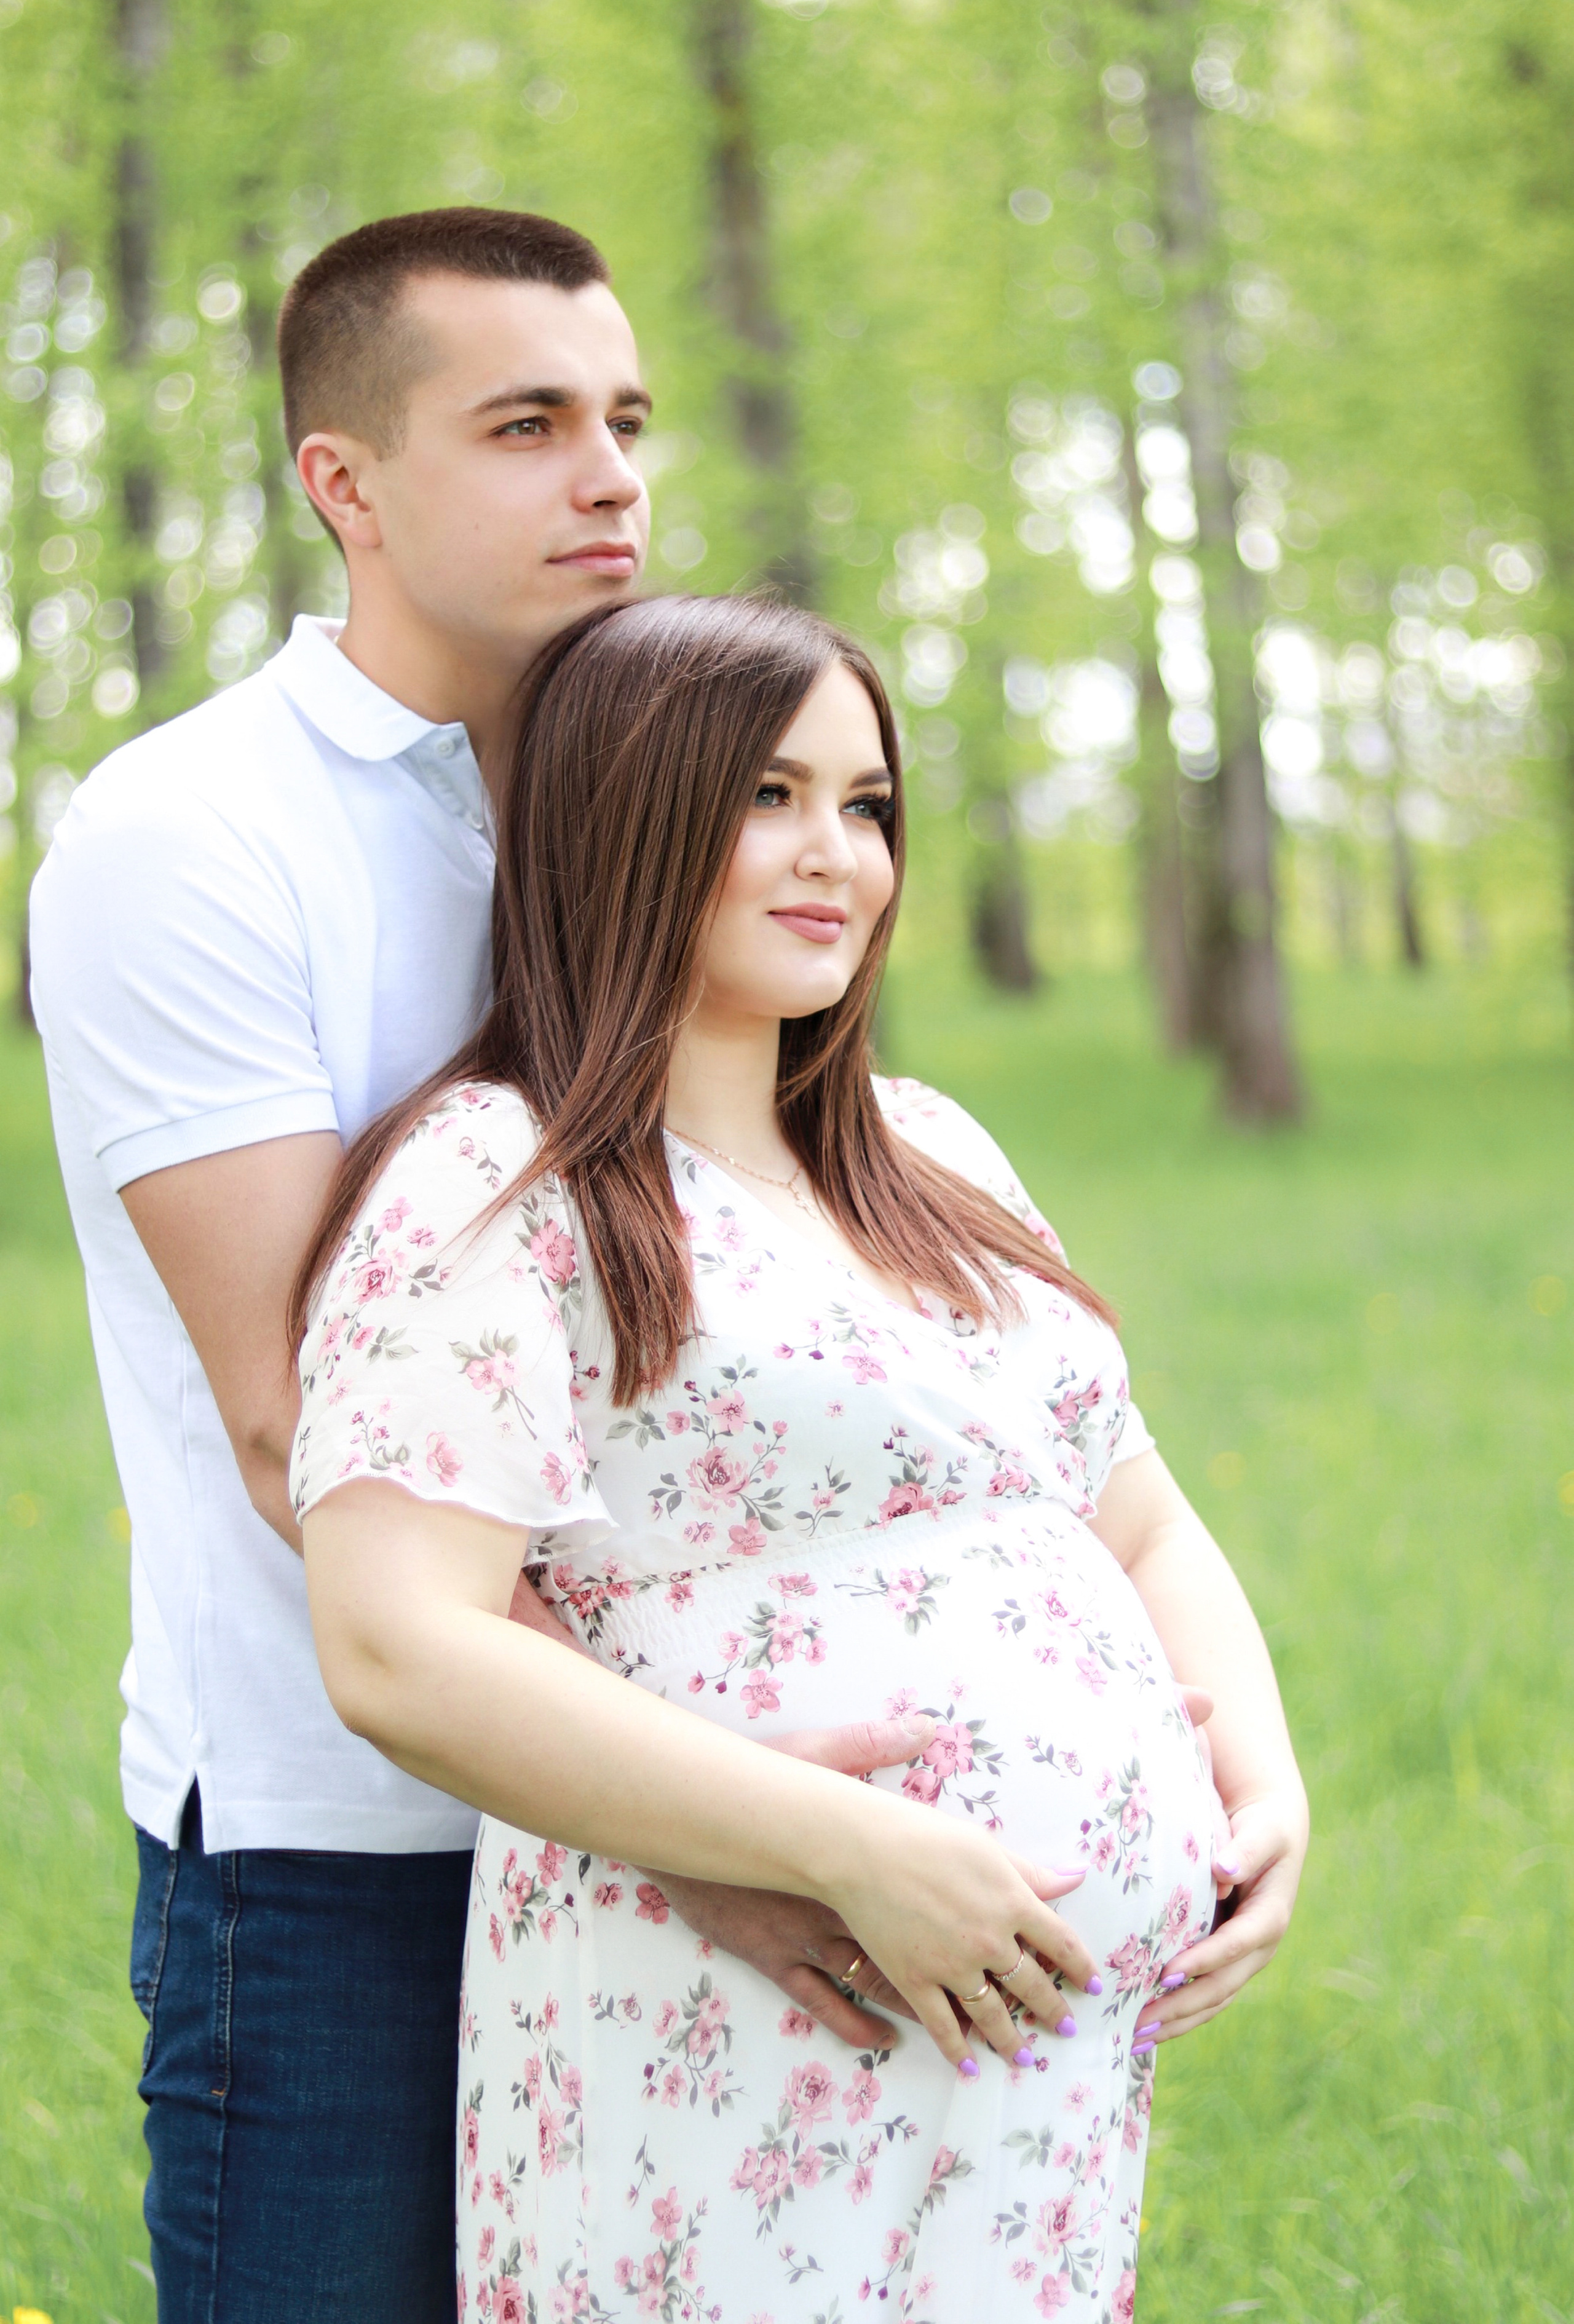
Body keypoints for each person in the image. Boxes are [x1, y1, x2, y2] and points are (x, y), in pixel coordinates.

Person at [28, 208, 937, 2322]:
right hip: (353, 1847)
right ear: (343, 482)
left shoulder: (654, 795)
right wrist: (717, 1839)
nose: (610, 475)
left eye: (625, 418)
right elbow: (290, 1420)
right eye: (526, 424)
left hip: (731, 1805)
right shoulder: (193, 838)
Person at [291, 593, 1310, 2322]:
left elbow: (1132, 1518)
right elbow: (399, 1644)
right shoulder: (502, 1180)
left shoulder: (925, 1148)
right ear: (622, 812)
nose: (836, 853)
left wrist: (1255, 1779)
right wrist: (851, 1851)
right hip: (741, 2006)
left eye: (867, 803)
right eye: (768, 795)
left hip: (1035, 2056)